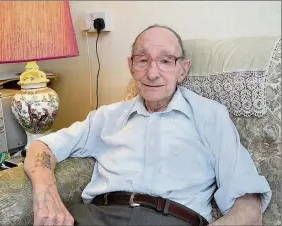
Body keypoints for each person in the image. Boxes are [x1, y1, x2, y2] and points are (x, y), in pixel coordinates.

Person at [24, 24, 272, 226]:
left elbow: (248, 201)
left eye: (165, 61)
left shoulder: (211, 116)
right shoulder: (107, 117)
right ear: (131, 65)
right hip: (97, 217)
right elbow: (42, 146)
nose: (152, 73)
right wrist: (46, 194)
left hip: (174, 219)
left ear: (182, 69)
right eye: (143, 60)